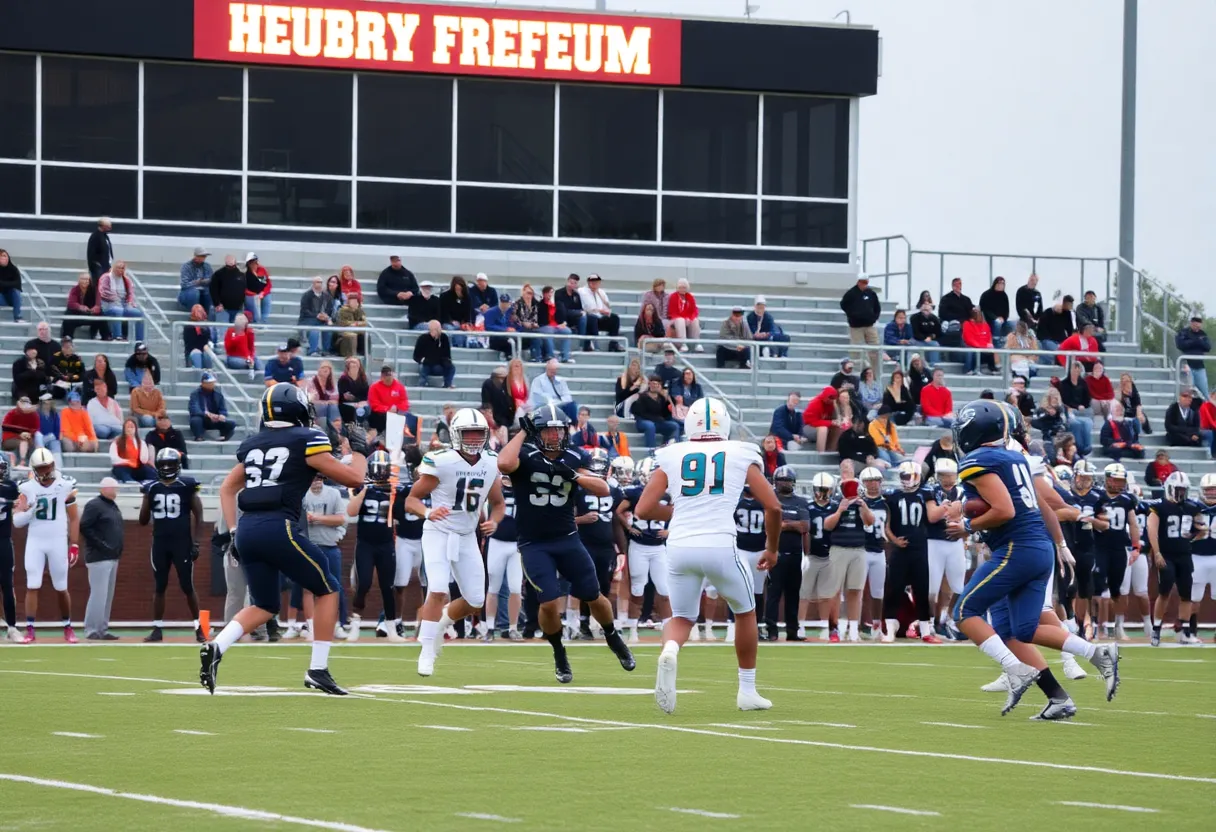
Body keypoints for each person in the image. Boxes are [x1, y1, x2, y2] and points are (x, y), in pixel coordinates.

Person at [948, 401, 1118, 719]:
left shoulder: (978, 459)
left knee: (964, 611)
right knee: (1021, 630)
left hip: (1015, 550)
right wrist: (1059, 544)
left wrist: (967, 525)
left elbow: (1005, 510)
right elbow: (1037, 506)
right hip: (1036, 549)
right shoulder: (1014, 457)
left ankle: (1015, 670)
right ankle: (1088, 662)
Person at [203, 383, 370, 695]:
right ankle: (318, 669)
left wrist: (232, 533)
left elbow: (227, 487)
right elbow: (355, 478)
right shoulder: (306, 438)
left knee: (265, 604)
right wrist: (360, 451)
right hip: (279, 526)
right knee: (328, 587)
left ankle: (217, 646)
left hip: (247, 531)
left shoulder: (254, 444)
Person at [632, 399, 781, 710]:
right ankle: (747, 691)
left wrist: (680, 511)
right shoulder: (740, 452)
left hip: (680, 544)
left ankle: (670, 649)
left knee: (683, 617)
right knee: (745, 611)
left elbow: (643, 509)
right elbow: (774, 506)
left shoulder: (672, 454)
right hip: (719, 543)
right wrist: (772, 548)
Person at [494, 405, 633, 680]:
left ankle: (613, 636)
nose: (556, 435)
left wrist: (575, 475)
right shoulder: (525, 453)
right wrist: (523, 430)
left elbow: (604, 488)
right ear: (538, 431)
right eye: (549, 429)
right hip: (533, 543)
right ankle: (559, 651)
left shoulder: (574, 456)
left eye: (559, 429)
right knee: (548, 601)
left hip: (567, 539)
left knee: (593, 595)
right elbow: (504, 464)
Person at [401, 409, 504, 674]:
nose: (472, 439)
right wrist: (427, 512)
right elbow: (410, 500)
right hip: (438, 531)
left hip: (467, 536)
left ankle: (441, 622)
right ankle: (425, 651)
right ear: (456, 434)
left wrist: (495, 520)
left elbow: (498, 502)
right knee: (436, 588)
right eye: (467, 433)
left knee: (475, 600)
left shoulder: (490, 462)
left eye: (477, 433)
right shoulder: (442, 461)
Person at [13, 449, 80, 643]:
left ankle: (68, 626)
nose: (45, 471)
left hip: (58, 540)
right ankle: (30, 629)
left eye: (47, 467)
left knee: (61, 586)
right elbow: (17, 521)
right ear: (34, 469)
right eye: (41, 468)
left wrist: (74, 544)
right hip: (36, 541)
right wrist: (30, 512)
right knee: (32, 584)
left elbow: (74, 518)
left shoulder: (65, 484)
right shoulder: (27, 487)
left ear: (53, 465)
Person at [137, 448, 204, 642]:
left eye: (170, 465)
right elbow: (142, 520)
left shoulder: (186, 485)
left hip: (182, 543)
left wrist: (197, 541)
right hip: (160, 543)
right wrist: (146, 497)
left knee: (187, 585)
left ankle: (199, 627)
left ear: (177, 466)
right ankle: (157, 628)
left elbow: (199, 515)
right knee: (160, 585)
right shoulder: (152, 487)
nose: (167, 468)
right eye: (163, 465)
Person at [344, 450, 406, 644]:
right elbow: (351, 511)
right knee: (363, 584)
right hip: (366, 544)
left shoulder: (394, 490)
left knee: (388, 587)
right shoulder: (362, 487)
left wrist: (395, 494)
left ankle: (391, 629)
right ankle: (355, 626)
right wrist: (364, 489)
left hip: (386, 544)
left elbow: (401, 516)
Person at [880, 462, 938, 643]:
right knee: (894, 588)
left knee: (922, 588)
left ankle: (926, 631)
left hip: (919, 547)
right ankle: (889, 628)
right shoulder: (892, 496)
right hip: (900, 549)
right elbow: (886, 524)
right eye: (904, 476)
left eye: (910, 476)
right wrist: (894, 540)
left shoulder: (925, 494)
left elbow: (932, 517)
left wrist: (946, 507)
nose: (907, 480)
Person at [1148, 472, 1205, 646]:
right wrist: (1157, 553)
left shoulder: (1191, 506)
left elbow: (1201, 527)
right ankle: (1156, 630)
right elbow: (1152, 530)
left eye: (1183, 490)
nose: (1181, 493)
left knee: (1186, 595)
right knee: (1164, 592)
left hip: (1184, 555)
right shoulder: (1160, 506)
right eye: (1178, 489)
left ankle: (1185, 632)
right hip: (1166, 554)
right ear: (1169, 489)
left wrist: (1195, 535)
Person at [300, 473, 350, 640]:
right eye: (314, 478)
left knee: (334, 587)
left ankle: (336, 625)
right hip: (308, 544)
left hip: (328, 545)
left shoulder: (333, 494)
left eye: (320, 479)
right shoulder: (301, 494)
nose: (317, 482)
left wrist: (318, 518)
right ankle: (311, 626)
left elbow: (341, 518)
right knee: (307, 588)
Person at [925, 458, 966, 637]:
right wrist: (948, 509)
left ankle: (947, 618)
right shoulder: (931, 491)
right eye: (944, 475)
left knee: (958, 586)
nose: (948, 479)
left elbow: (966, 516)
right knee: (932, 587)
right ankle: (930, 621)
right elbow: (932, 517)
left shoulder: (963, 492)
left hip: (955, 541)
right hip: (934, 541)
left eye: (950, 475)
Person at [80, 477, 123, 640]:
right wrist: (102, 545)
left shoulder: (111, 506)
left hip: (112, 557)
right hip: (99, 557)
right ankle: (92, 629)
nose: (116, 491)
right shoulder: (94, 505)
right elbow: (85, 527)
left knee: (107, 595)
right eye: (114, 488)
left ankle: (102, 628)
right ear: (105, 488)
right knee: (98, 594)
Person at [839, 273, 881, 371]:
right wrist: (852, 315)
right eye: (862, 282)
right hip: (856, 327)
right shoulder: (851, 293)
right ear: (858, 282)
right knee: (856, 351)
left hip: (869, 326)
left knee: (874, 350)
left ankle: (874, 374)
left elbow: (877, 306)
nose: (864, 285)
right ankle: (858, 373)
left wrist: (874, 317)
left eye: (866, 282)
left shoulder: (871, 293)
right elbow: (843, 304)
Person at [97, 261, 144, 342]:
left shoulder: (126, 279)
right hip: (109, 304)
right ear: (113, 268)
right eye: (118, 267)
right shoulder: (106, 277)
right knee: (118, 310)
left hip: (123, 304)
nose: (120, 270)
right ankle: (117, 336)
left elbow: (130, 293)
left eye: (122, 268)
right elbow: (103, 292)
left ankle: (139, 340)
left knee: (138, 313)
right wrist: (116, 299)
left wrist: (129, 302)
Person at [631, 375, 680, 449]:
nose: (654, 386)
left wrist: (667, 399)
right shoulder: (642, 397)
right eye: (652, 383)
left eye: (656, 384)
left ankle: (669, 447)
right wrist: (656, 418)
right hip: (643, 421)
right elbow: (640, 413)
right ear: (649, 384)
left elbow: (665, 414)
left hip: (658, 423)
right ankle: (651, 449)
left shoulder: (661, 398)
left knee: (674, 425)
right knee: (650, 426)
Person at [579, 274, 622, 351]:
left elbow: (607, 307)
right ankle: (594, 345)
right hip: (589, 317)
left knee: (614, 318)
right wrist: (599, 310)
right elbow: (588, 307)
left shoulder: (601, 292)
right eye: (592, 281)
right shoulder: (582, 291)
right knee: (592, 318)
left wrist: (605, 311)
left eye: (596, 282)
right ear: (588, 282)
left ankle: (613, 344)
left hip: (600, 317)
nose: (594, 283)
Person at [188, 372, 235, 441]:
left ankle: (223, 436)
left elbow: (223, 409)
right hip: (202, 418)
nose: (211, 385)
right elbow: (194, 408)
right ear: (203, 383)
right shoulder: (195, 394)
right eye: (209, 383)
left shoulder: (218, 394)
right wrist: (206, 414)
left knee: (231, 423)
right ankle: (199, 436)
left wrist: (222, 415)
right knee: (195, 420)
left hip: (215, 418)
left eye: (212, 383)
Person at [528, 359, 578, 423]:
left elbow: (567, 395)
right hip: (545, 407)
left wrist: (562, 402)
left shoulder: (561, 381)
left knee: (572, 405)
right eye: (550, 370)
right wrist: (554, 403)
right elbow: (538, 397)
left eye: (554, 371)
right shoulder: (538, 380)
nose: (552, 373)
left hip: (559, 405)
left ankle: (573, 426)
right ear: (546, 368)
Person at [555, 273, 595, 350]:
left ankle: (591, 343)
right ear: (567, 281)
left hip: (574, 316)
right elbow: (561, 309)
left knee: (592, 318)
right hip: (563, 316)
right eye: (571, 282)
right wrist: (578, 313)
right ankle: (581, 344)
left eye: (574, 283)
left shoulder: (576, 294)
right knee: (583, 317)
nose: (572, 285)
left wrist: (580, 312)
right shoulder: (559, 293)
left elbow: (579, 308)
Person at [62, 272, 106, 341]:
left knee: (102, 314)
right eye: (83, 279)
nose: (85, 281)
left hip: (91, 313)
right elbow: (71, 303)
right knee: (68, 313)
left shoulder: (95, 289)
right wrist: (80, 307)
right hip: (78, 313)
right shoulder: (75, 289)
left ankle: (106, 337)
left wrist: (95, 308)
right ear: (79, 280)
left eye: (87, 279)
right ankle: (67, 337)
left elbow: (98, 304)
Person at [109, 418, 154, 482]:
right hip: (123, 466)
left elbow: (144, 459)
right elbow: (114, 459)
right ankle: (129, 481)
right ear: (124, 429)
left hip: (136, 467)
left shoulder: (141, 442)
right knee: (120, 470)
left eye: (132, 427)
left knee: (148, 469)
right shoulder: (117, 442)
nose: (129, 429)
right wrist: (127, 462)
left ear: (135, 429)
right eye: (127, 427)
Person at [368, 365, 409, 434]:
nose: (388, 381)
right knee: (382, 416)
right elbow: (374, 404)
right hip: (380, 414)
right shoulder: (374, 387)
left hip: (396, 412)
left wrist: (397, 408)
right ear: (382, 377)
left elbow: (404, 402)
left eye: (390, 378)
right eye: (386, 378)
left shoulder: (399, 387)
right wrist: (387, 409)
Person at [297, 276, 332, 357]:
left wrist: (326, 316)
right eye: (317, 282)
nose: (319, 284)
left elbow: (329, 309)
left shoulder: (327, 296)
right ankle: (312, 351)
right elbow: (304, 310)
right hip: (307, 319)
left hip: (321, 319)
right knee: (314, 329)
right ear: (313, 284)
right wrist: (317, 315)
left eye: (321, 282)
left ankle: (326, 351)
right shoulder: (306, 295)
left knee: (328, 328)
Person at [512, 284, 548, 361]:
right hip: (519, 328)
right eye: (527, 293)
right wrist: (523, 323)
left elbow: (536, 317)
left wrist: (533, 324)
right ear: (523, 292)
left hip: (532, 327)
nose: (529, 295)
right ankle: (536, 357)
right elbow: (514, 318)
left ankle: (545, 356)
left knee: (544, 333)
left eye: (531, 293)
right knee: (536, 335)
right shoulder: (517, 303)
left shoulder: (535, 304)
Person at [666, 278, 702, 352]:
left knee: (695, 320)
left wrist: (690, 318)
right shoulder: (673, 296)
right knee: (680, 320)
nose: (682, 289)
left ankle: (697, 343)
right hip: (675, 319)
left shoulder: (690, 297)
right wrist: (684, 318)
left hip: (687, 319)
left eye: (684, 287)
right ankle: (683, 343)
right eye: (680, 287)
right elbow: (672, 312)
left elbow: (694, 311)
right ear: (677, 288)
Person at [209, 255, 247, 323]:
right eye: (229, 266)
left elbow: (244, 290)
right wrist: (217, 303)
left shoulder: (241, 275)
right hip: (223, 308)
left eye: (233, 266)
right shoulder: (218, 274)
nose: (231, 268)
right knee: (222, 330)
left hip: (237, 308)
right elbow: (213, 290)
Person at [2, 396, 39, 466]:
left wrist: (28, 434)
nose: (25, 405)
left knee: (32, 442)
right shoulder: (12, 413)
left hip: (28, 438)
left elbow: (36, 428)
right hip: (10, 439)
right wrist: (19, 435)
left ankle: (32, 462)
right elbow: (6, 428)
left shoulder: (34, 415)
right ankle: (22, 461)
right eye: (23, 403)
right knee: (23, 442)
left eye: (27, 403)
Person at [801, 386, 840, 452]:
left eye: (833, 398)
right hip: (808, 427)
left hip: (820, 425)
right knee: (823, 429)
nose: (832, 400)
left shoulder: (831, 404)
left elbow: (836, 418)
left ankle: (831, 450)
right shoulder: (815, 403)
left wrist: (836, 406)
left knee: (838, 427)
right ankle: (820, 453)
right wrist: (830, 423)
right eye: (830, 398)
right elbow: (812, 422)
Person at [938, 278, 974, 347]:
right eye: (956, 284)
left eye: (959, 284)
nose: (958, 286)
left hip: (965, 322)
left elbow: (970, 310)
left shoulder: (966, 299)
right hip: (952, 322)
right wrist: (958, 320)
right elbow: (942, 313)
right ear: (952, 286)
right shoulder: (946, 298)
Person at [307, 361, 341, 428]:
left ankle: (334, 429)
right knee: (326, 406)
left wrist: (330, 402)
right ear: (318, 369)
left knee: (333, 406)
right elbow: (310, 400)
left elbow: (337, 400)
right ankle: (329, 428)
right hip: (315, 407)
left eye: (328, 368)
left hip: (330, 408)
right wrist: (326, 402)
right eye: (323, 367)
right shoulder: (311, 381)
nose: (325, 370)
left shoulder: (333, 383)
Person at [962, 307, 996, 374]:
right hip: (974, 348)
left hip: (984, 349)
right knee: (972, 351)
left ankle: (992, 369)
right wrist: (981, 346)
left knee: (991, 350)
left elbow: (988, 338)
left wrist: (987, 346)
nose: (980, 316)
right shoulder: (967, 324)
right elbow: (969, 340)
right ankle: (969, 370)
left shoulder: (986, 325)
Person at [482, 294, 517, 361]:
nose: (504, 305)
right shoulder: (490, 312)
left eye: (506, 302)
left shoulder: (511, 312)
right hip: (495, 339)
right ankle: (509, 358)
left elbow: (516, 324)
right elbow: (488, 326)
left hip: (510, 336)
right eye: (502, 302)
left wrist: (514, 329)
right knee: (509, 342)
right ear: (499, 302)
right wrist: (505, 330)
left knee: (518, 340)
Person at [979, 276, 1014, 343]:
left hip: (1002, 320)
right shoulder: (986, 295)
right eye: (999, 283)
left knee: (1013, 324)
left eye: (1003, 283)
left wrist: (1004, 318)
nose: (1001, 285)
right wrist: (996, 318)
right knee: (997, 322)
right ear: (995, 284)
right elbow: (985, 310)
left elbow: (1007, 311)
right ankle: (996, 340)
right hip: (990, 320)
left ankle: (1009, 342)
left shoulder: (1004, 295)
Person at [439, 275, 472, 347]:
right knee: (451, 329)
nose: (458, 291)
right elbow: (443, 313)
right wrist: (451, 321)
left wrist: (465, 324)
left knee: (463, 330)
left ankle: (460, 347)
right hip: (447, 322)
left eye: (460, 289)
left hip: (460, 323)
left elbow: (467, 314)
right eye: (456, 289)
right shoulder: (445, 296)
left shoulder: (467, 298)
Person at [178, 247, 212, 313]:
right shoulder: (186, 266)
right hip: (188, 292)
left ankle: (207, 314)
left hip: (204, 291)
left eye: (204, 256)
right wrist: (197, 282)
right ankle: (194, 314)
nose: (203, 258)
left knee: (210, 292)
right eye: (201, 256)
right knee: (194, 293)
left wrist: (205, 281)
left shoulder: (207, 266)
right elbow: (184, 284)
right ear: (195, 256)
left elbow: (211, 280)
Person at [338, 356, 370, 426]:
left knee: (367, 408)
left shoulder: (363, 378)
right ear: (348, 366)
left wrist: (361, 402)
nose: (354, 365)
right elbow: (343, 396)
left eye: (355, 363)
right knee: (356, 410)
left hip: (361, 402)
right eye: (352, 363)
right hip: (347, 403)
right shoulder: (343, 379)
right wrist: (356, 401)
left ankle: (363, 426)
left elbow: (366, 395)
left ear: (359, 366)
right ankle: (355, 427)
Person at [908, 299, 942, 366]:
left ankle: (934, 365)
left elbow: (938, 332)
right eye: (924, 304)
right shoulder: (914, 317)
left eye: (928, 304)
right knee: (933, 344)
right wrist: (924, 338)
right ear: (921, 308)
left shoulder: (935, 318)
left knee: (935, 344)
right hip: (916, 339)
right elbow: (916, 332)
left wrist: (931, 337)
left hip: (929, 340)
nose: (926, 306)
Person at [242, 253, 272, 324]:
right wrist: (254, 294)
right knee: (251, 300)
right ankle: (255, 322)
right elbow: (244, 288)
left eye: (255, 262)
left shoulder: (261, 270)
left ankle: (264, 322)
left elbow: (267, 284)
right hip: (251, 294)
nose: (254, 264)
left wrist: (263, 293)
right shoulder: (245, 273)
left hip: (262, 293)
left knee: (267, 299)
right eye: (252, 263)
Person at [182, 304, 215, 369]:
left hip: (204, 350)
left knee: (207, 352)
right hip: (192, 352)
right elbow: (189, 345)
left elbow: (209, 340)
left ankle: (209, 372)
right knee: (196, 353)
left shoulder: (206, 327)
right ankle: (198, 373)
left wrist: (209, 345)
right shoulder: (188, 327)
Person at [0, 249, 22, 323]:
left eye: (5, 256)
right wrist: (10, 284)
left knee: (16, 292)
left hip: (11, 297)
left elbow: (18, 284)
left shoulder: (13, 269)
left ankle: (17, 317)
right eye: (2, 256)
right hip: (1, 297)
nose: (4, 258)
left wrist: (4, 284)